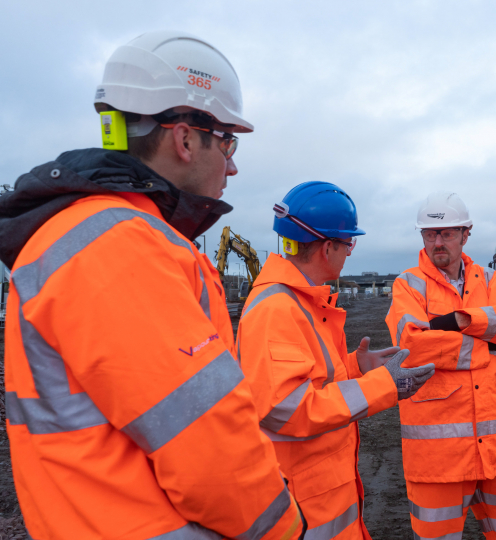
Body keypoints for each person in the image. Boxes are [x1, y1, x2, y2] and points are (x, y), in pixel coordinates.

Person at [0, 31, 303, 539]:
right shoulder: (120, 246)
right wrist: (286, 526)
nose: (233, 163)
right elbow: (209, 450)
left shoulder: (89, 234)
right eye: (227, 141)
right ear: (185, 139)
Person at [236, 181, 435, 539]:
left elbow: (308, 378)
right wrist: (384, 385)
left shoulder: (300, 302)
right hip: (304, 507)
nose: (350, 253)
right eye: (348, 243)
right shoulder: (277, 310)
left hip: (319, 495)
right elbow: (288, 407)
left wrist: (357, 367)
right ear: (327, 247)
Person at [385, 192, 496, 540]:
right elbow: (412, 346)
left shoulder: (488, 280)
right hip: (437, 462)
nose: (438, 242)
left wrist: (463, 319)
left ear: (466, 234)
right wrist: (486, 342)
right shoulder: (407, 285)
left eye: (447, 233)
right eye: (430, 234)